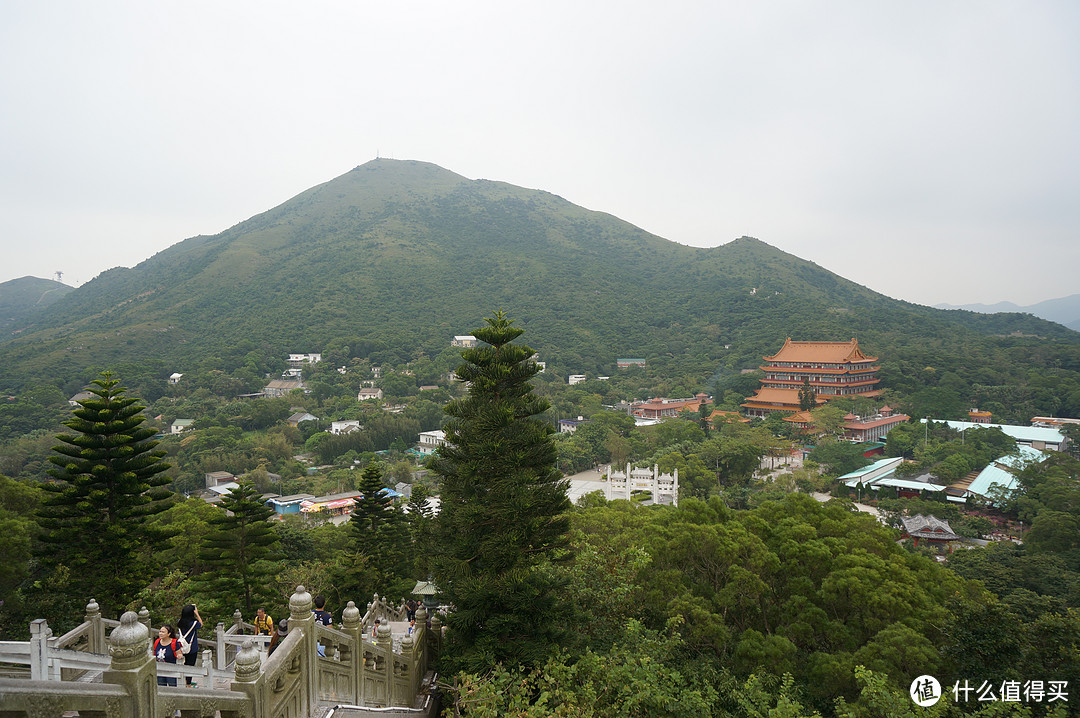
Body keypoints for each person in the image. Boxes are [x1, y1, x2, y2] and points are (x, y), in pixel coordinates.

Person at [177, 604, 202, 687]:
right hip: (192, 647)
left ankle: (183, 681)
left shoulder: (179, 622)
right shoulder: (194, 623)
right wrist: (197, 614)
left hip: (181, 646)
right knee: (190, 665)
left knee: (182, 664)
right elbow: (201, 624)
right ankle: (188, 684)